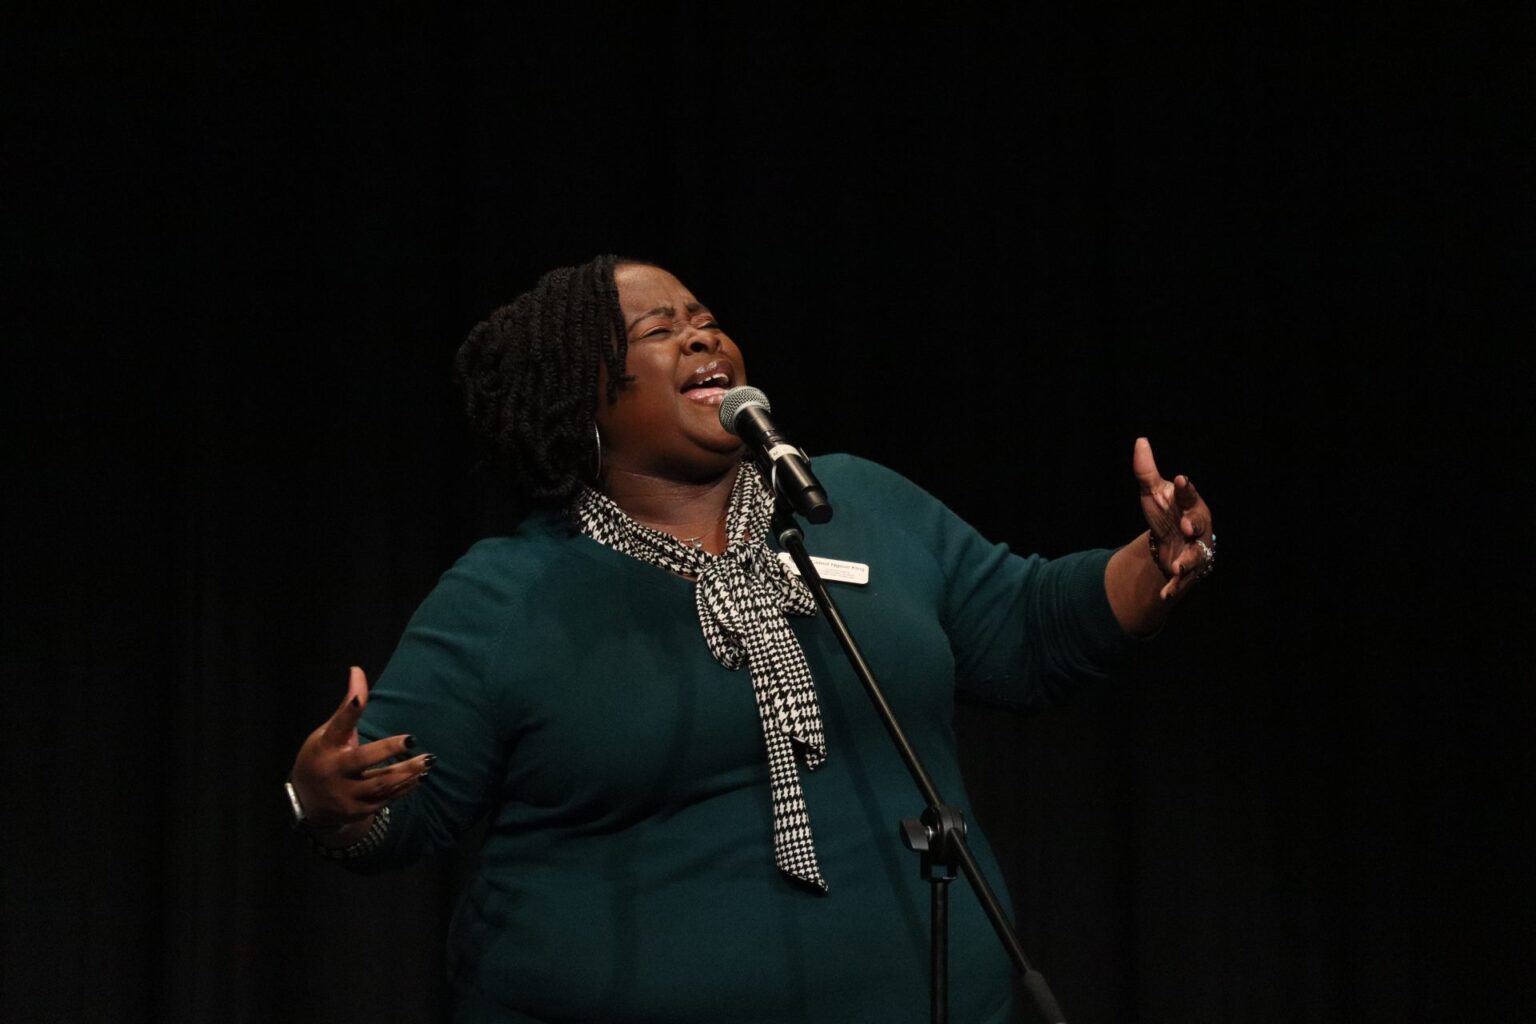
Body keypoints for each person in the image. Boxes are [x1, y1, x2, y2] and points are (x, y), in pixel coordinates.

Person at [285, 254, 1216, 1023]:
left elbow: (1028, 627)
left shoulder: (853, 504)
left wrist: (1156, 559)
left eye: (707, 320)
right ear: (580, 395)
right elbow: (392, 800)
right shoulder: (510, 594)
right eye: (659, 330)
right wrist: (329, 800)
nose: (703, 338)